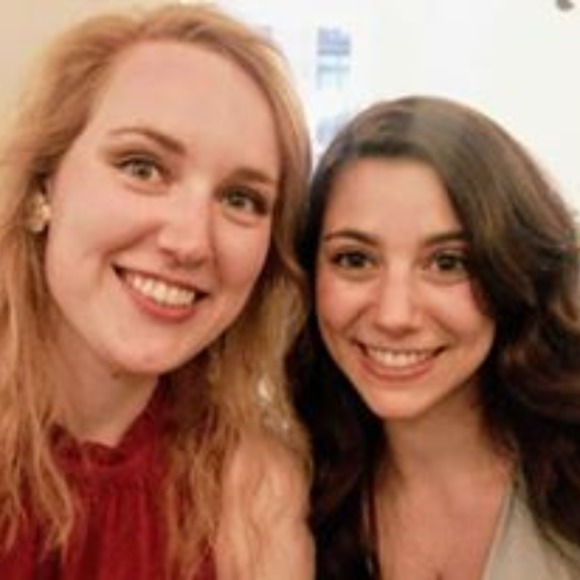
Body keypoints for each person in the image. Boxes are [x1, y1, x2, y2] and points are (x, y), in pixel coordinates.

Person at [0, 4, 313, 579]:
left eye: (240, 199)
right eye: (142, 167)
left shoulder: (256, 492)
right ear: (45, 185)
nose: (191, 242)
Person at [288, 95, 580, 579]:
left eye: (447, 263)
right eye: (355, 259)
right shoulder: (283, 491)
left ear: (515, 269)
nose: (394, 315)